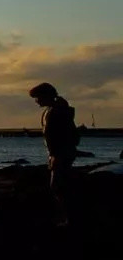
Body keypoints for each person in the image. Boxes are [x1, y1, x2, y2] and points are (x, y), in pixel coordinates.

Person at [29, 82, 79, 225]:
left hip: (60, 154)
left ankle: (69, 218)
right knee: (59, 186)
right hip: (58, 153)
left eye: (37, 97)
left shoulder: (58, 112)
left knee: (58, 186)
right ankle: (67, 216)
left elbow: (65, 135)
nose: (36, 101)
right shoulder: (53, 110)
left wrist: (58, 153)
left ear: (45, 96)